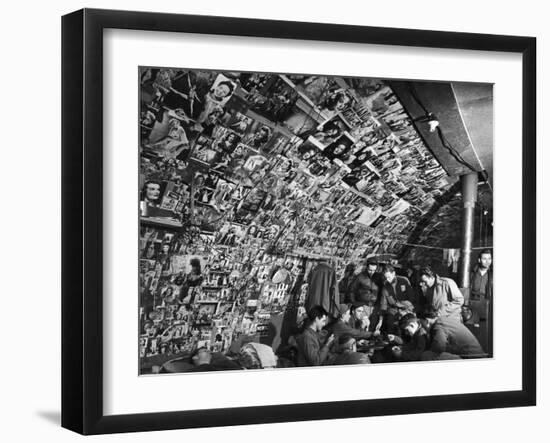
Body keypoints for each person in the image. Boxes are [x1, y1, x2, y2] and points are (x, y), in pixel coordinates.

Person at [421, 312, 485, 360]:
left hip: (471, 358)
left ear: (427, 321)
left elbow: (439, 347)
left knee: (427, 355)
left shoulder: (439, 325)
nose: (422, 327)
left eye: (422, 324)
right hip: (476, 355)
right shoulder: (444, 319)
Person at [379, 264, 416, 334]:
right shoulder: (385, 287)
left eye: (389, 277)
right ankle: (393, 339)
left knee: (409, 322)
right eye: (385, 278)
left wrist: (406, 308)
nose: (387, 280)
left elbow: (411, 297)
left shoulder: (404, 280)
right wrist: (380, 320)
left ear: (393, 273)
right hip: (394, 309)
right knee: (390, 322)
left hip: (407, 307)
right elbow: (383, 304)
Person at [349, 259, 382, 330]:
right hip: (362, 305)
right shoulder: (360, 277)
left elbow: (382, 292)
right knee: (363, 326)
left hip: (374, 306)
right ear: (367, 267)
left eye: (374, 270)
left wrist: (379, 305)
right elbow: (352, 290)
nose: (372, 272)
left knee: (372, 327)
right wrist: (355, 304)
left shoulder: (379, 277)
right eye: (370, 270)